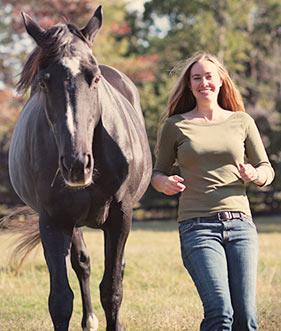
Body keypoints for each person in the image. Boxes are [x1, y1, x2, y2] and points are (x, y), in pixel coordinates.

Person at [151, 52, 275, 331]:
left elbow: (267, 169)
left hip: (241, 225)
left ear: (221, 81)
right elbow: (156, 173)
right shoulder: (175, 125)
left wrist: (256, 175)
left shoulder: (241, 121)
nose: (203, 82)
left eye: (209, 76)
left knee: (246, 318)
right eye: (196, 77)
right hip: (198, 227)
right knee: (220, 312)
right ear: (189, 84)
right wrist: (164, 183)